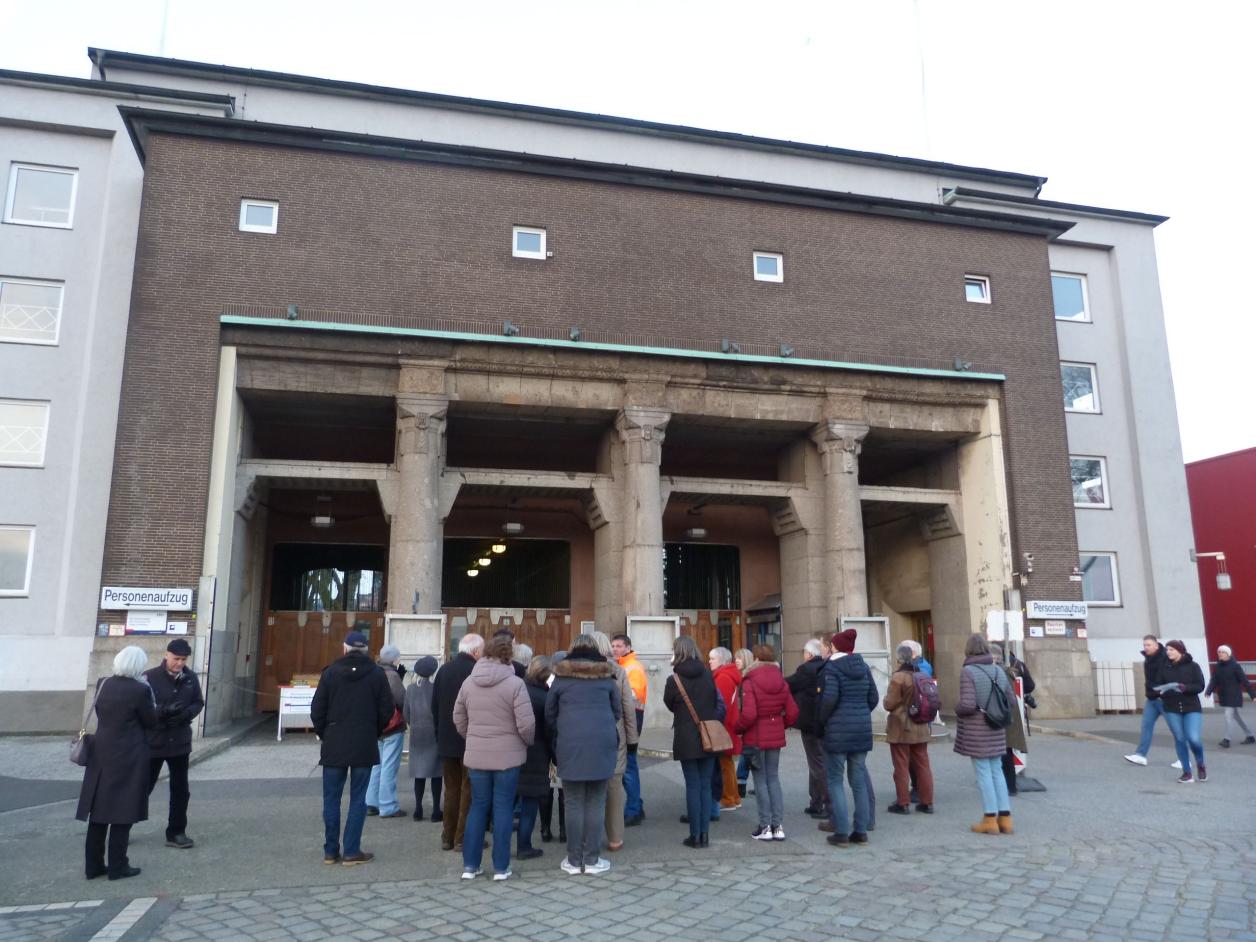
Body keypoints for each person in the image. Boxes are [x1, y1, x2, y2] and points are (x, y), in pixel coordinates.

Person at [453, 634, 535, 881]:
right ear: (508, 655)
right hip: (508, 757)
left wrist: (474, 738)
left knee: (477, 807)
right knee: (503, 808)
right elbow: (527, 724)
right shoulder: (515, 684)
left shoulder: (469, 683)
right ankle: (501, 867)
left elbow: (458, 718)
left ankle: (470, 865)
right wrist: (524, 743)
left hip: (477, 756)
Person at [309, 630, 394, 865]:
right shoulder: (377, 675)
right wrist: (373, 730)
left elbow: (317, 709)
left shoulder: (330, 673)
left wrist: (325, 733)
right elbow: (387, 710)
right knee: (359, 798)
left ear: (345, 648)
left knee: (331, 799)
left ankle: (330, 850)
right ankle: (352, 850)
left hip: (334, 742)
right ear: (366, 650)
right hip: (364, 743)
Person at [76, 645, 158, 880]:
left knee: (99, 811)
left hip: (101, 752)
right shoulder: (139, 691)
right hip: (129, 754)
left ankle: (93, 865)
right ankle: (118, 865)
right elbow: (150, 721)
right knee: (124, 810)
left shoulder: (103, 684)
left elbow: (102, 715)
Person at [546, 634, 620, 874]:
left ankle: (573, 859)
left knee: (573, 802)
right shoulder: (607, 677)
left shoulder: (560, 678)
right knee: (597, 802)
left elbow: (550, 713)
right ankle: (591, 859)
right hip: (602, 743)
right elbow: (617, 711)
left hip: (570, 744)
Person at [816, 628, 878, 847]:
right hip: (860, 730)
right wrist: (860, 714)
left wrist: (823, 720)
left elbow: (829, 698)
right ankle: (860, 830)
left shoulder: (832, 667)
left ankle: (841, 831)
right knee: (858, 781)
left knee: (835, 780)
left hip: (837, 730)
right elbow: (873, 697)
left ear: (835, 647)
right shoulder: (862, 666)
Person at [144, 637, 204, 850]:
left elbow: (198, 701)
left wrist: (186, 714)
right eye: (176, 658)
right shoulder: (149, 677)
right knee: (143, 786)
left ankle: (176, 831)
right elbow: (143, 706)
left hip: (179, 741)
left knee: (180, 789)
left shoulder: (190, 678)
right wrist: (162, 712)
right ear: (166, 655)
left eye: (183, 659)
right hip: (155, 741)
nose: (179, 663)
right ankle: (122, 823)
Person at [664, 635, 722, 849]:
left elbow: (669, 703)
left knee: (693, 785)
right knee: (706, 785)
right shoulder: (708, 675)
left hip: (686, 736)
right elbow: (716, 700)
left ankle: (694, 835)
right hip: (709, 734)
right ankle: (705, 834)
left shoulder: (674, 680)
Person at [736, 644, 798, 841]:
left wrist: (738, 728)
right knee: (773, 778)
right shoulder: (781, 680)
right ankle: (778, 826)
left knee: (760, 780)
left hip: (755, 737)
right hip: (775, 735)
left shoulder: (749, 680)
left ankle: (765, 826)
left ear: (755, 659)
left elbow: (749, 714)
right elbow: (793, 712)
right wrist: (781, 723)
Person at [955, 633, 1015, 835]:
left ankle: (989, 818)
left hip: (977, 729)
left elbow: (967, 705)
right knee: (997, 770)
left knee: (983, 773)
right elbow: (1011, 702)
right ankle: (1005, 818)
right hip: (996, 727)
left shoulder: (968, 671)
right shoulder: (998, 670)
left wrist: (957, 708)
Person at [433, 633, 483, 851]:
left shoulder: (444, 670)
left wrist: (439, 735)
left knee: (451, 789)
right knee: (468, 790)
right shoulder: (475, 671)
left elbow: (434, 706)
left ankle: (447, 836)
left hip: (446, 739)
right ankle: (462, 839)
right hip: (470, 739)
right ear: (475, 652)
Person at [591, 631, 639, 853]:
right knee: (614, 785)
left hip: (587, 734)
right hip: (614, 732)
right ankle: (615, 838)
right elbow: (628, 707)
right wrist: (632, 738)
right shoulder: (618, 671)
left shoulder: (574, 669)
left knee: (589, 787)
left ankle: (588, 837)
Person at [883, 643, 934, 814]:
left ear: (898, 659)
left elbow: (889, 703)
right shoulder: (922, 674)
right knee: (923, 764)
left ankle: (902, 802)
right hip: (921, 724)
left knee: (901, 765)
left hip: (902, 726)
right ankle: (927, 802)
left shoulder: (898, 678)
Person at [787, 639, 829, 820]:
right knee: (819, 761)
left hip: (810, 722)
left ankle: (823, 802)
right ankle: (816, 801)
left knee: (816, 763)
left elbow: (787, 684)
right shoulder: (826, 667)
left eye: (804, 652)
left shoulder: (806, 669)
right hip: (824, 721)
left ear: (810, 654)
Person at [517, 655, 553, 859]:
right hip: (537, 753)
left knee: (507, 800)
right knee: (530, 802)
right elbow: (550, 730)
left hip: (514, 750)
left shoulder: (519, 689)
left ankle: (505, 845)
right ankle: (524, 845)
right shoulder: (545, 698)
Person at [366, 644, 407, 818]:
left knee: (376, 765)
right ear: (393, 659)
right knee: (389, 767)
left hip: (375, 726)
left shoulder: (372, 673)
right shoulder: (392, 675)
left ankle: (371, 803)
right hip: (392, 727)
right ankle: (388, 805)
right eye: (398, 657)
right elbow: (401, 700)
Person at [611, 633, 648, 826]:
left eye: (618, 646)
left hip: (630, 721)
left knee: (628, 768)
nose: (615, 649)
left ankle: (633, 809)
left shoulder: (632, 668)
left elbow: (632, 697)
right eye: (613, 646)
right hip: (630, 720)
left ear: (627, 647)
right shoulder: (624, 666)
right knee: (628, 767)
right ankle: (636, 805)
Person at [1159, 639, 1207, 783]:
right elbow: (1158, 684)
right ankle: (1187, 772)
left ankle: (1200, 763)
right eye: (1167, 650)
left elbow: (1200, 685)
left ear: (1180, 651)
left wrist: (1185, 688)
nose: (1168, 652)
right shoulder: (1164, 667)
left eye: (1171, 650)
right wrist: (1161, 691)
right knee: (1179, 739)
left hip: (1191, 706)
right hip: (1171, 707)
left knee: (1194, 739)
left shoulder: (1193, 666)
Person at [403, 656, 442, 822]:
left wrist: (414, 724)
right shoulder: (437, 689)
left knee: (419, 774)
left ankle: (418, 809)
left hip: (417, 734)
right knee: (436, 774)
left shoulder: (411, 689)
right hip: (434, 734)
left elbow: (406, 713)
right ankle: (435, 810)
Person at [991, 642, 1032, 796]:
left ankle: (1008, 787)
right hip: (1008, 717)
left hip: (1002, 718)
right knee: (1006, 752)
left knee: (1004, 753)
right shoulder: (1007, 672)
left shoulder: (999, 673)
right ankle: (1010, 786)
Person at [1124, 635, 1170, 766]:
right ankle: (1141, 755)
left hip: (1164, 699)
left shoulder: (1164, 658)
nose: (1146, 647)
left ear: (1156, 645)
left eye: (1148, 645)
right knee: (1146, 726)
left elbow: (1166, 677)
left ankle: (1185, 760)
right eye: (1144, 645)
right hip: (1151, 699)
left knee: (1175, 729)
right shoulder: (1148, 659)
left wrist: (1162, 692)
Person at [709, 647, 743, 812]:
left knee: (724, 764)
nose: (709, 661)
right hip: (729, 725)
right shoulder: (727, 675)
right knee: (727, 763)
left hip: (724, 726)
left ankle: (729, 798)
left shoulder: (722, 677)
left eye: (712, 658)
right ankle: (734, 796)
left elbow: (721, 706)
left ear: (721, 660)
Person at [1205, 644, 1255, 748]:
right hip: (1224, 695)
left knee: (1228, 716)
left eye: (1222, 652)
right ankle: (1250, 735)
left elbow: (1245, 681)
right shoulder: (1218, 666)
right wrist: (1209, 691)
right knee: (1236, 717)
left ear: (1228, 654)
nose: (1220, 654)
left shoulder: (1235, 666)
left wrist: (1253, 695)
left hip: (1234, 695)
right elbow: (1214, 680)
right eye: (1219, 652)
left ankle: (1226, 739)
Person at [732, 647, 755, 797]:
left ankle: (741, 783)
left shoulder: (747, 678)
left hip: (747, 719)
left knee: (748, 752)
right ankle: (743, 783)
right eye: (735, 658)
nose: (736, 661)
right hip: (743, 718)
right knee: (748, 753)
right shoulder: (739, 676)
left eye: (739, 658)